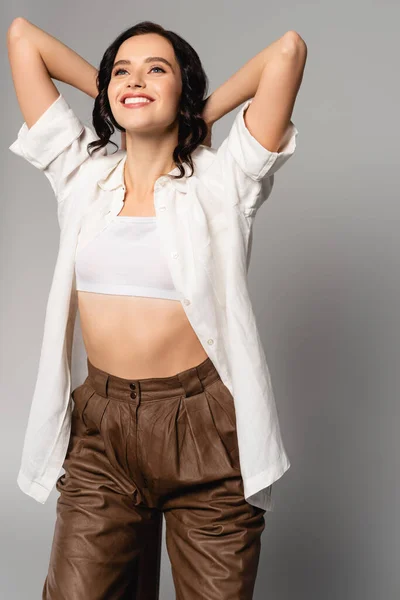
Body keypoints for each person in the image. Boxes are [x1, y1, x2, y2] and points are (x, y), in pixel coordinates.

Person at [7, 16, 306, 600]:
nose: (134, 79)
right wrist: (113, 87)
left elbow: (287, 52)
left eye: (156, 69)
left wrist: (200, 114)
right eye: (122, 70)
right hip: (102, 430)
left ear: (183, 88)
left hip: (204, 431)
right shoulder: (81, 177)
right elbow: (22, 37)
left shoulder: (223, 182)